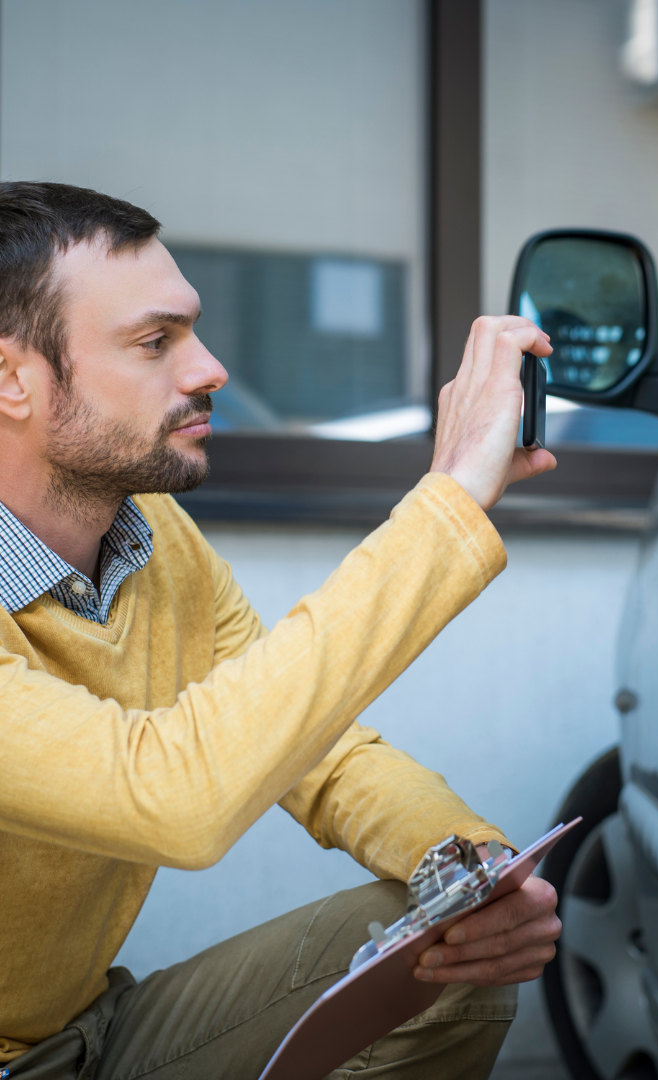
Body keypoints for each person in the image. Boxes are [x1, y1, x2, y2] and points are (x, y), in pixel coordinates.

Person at [0, 182, 562, 1080]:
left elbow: (314, 749)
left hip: (90, 1034)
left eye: (192, 330)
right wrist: (447, 502)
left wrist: (469, 864)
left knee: (452, 952)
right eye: (156, 342)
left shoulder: (152, 536)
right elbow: (174, 794)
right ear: (12, 380)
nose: (210, 368)